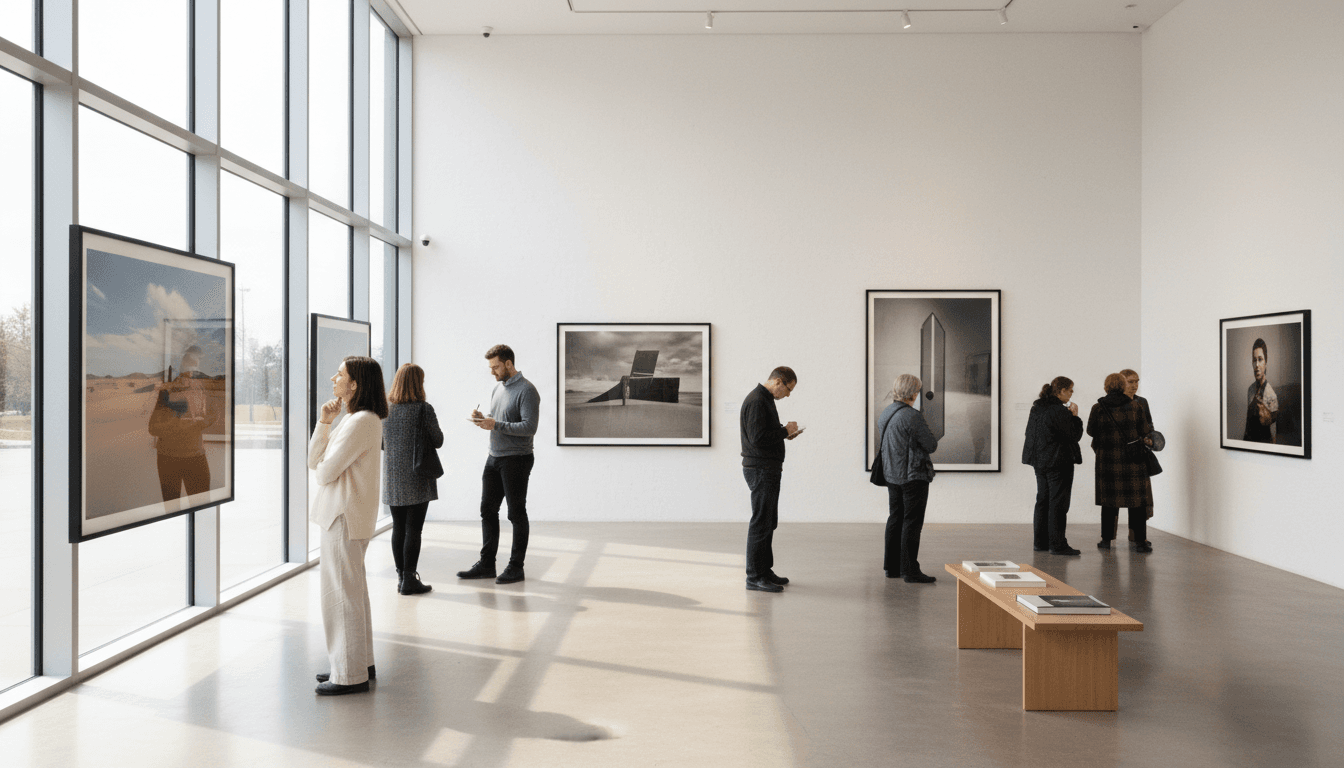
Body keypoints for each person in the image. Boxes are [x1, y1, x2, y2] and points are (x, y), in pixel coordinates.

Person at [308, 356, 387, 695]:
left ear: (354, 384)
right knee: (352, 591)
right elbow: (315, 461)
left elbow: (324, 472)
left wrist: (327, 454)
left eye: (339, 374)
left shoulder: (361, 422)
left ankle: (348, 674)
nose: (333, 378)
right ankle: (359, 663)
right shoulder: (356, 419)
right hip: (345, 515)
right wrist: (325, 423)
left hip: (342, 516)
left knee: (341, 596)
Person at [458, 344, 540, 585]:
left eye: (495, 367)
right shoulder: (498, 388)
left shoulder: (527, 390)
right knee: (487, 510)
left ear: (508, 364)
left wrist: (496, 425)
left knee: (516, 513)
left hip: (517, 459)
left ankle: (516, 567)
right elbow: (499, 421)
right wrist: (483, 420)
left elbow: (529, 427)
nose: (492, 372)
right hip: (494, 457)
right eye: (490, 368)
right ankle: (486, 565)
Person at [740, 366, 803, 593]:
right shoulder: (758, 400)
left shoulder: (763, 399)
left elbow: (762, 433)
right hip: (761, 469)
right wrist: (784, 431)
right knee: (761, 521)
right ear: (778, 381)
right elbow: (757, 439)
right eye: (788, 389)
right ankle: (755, 576)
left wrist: (783, 432)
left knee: (768, 521)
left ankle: (764, 570)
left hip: (766, 468)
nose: (788, 394)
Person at [382, 363, 443, 596]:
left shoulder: (384, 410)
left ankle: (400, 577)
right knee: (413, 530)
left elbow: (381, 444)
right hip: (418, 477)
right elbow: (438, 440)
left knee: (398, 528)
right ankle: (409, 579)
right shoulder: (423, 409)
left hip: (393, 477)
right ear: (418, 383)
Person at [877, 374, 939, 582]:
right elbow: (931, 444)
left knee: (895, 518)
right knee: (912, 522)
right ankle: (911, 570)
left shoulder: (886, 412)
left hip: (892, 476)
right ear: (913, 393)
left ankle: (892, 567)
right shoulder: (912, 416)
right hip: (913, 476)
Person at [1086, 373, 1152, 554]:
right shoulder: (1135, 406)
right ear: (1123, 386)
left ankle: (1106, 540)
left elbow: (1090, 431)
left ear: (1106, 387)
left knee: (1109, 503)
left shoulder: (1098, 407)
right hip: (1133, 461)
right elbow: (1145, 431)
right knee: (1137, 503)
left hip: (1107, 461)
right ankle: (1139, 542)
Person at [148, 345, 220, 504]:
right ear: (181, 366)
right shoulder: (167, 391)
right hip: (168, 458)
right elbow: (153, 427)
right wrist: (179, 426)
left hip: (195, 457)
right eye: (188, 362)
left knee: (201, 506)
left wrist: (199, 424)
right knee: (172, 508)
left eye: (196, 364)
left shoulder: (203, 389)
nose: (192, 369)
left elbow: (214, 414)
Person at [1022, 376, 1084, 555]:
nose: (1072, 394)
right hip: (1058, 462)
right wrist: (1075, 417)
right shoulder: (1059, 410)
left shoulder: (1038, 407)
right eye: (1070, 390)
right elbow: (1073, 435)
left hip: (1039, 461)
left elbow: (1030, 434)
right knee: (1058, 502)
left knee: (1043, 500)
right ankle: (1057, 545)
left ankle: (1040, 543)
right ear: (1062, 391)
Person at [1112, 368, 1160, 548]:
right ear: (1120, 382)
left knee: (1140, 500)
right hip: (1118, 457)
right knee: (1113, 500)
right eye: (1130, 382)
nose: (1134, 386)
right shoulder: (1112, 402)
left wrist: (1149, 439)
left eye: (1136, 381)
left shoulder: (1142, 402)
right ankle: (1109, 537)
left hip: (1138, 456)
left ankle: (1138, 536)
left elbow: (1149, 426)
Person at [1242, 338, 1278, 443]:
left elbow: (1274, 436)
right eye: (1254, 360)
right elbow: (1248, 426)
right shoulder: (1250, 390)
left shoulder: (1271, 395)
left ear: (1266, 363)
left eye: (1260, 359)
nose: (1257, 365)